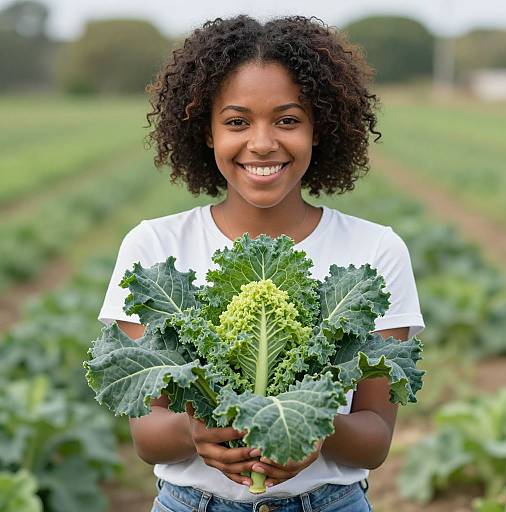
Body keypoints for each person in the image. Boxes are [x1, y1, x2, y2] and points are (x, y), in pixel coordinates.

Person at [98, 15, 424, 512]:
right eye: (236, 121)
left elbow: (376, 437)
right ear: (206, 132)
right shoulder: (154, 246)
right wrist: (194, 431)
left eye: (288, 119)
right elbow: (145, 432)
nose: (262, 142)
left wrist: (309, 427)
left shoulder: (375, 251)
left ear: (321, 128)